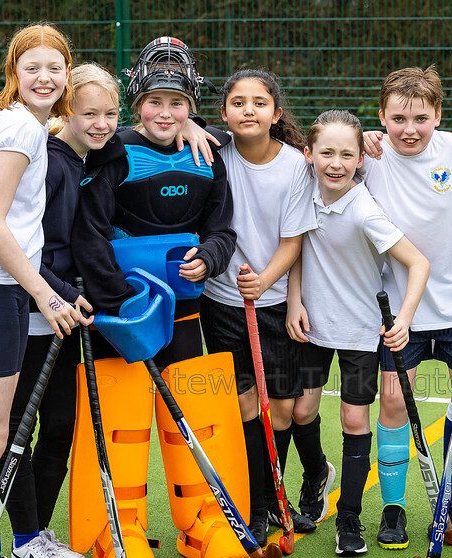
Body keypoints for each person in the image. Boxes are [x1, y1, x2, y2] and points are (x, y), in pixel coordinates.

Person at [69, 37, 238, 557]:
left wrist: (210, 256)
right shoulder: (112, 149)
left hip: (185, 314)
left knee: (193, 420)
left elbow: (223, 230)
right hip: (121, 316)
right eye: (155, 101)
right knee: (122, 427)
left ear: (191, 106)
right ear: (137, 99)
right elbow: (87, 233)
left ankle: (201, 524)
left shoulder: (206, 153)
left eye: (178, 102)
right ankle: (119, 530)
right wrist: (118, 300)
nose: (166, 113)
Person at [0, 24, 90, 558]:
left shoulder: (30, 126)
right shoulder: (21, 131)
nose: (45, 77)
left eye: (56, 68)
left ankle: (13, 543)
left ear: (67, 74)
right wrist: (46, 296)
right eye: (33, 68)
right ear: (14, 75)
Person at [361, 66, 452, 553]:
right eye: (397, 118)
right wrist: (359, 138)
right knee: (394, 402)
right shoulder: (369, 156)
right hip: (398, 309)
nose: (409, 129)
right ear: (381, 116)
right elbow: (315, 153)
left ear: (440, 117)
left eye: (421, 118)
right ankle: (394, 508)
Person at [286, 109, 429, 555]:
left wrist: (402, 318)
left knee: (353, 418)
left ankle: (348, 519)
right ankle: (315, 477)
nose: (336, 162)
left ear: (358, 162)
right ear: (308, 155)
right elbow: (296, 248)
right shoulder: (302, 192)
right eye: (326, 152)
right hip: (312, 328)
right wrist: (294, 301)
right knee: (301, 411)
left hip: (361, 334)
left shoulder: (365, 210)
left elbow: (418, 263)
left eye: (347, 154)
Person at [1, 63, 120, 558]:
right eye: (88, 112)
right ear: (66, 110)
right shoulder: (49, 162)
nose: (101, 123)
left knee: (60, 428)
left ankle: (38, 538)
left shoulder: (83, 157)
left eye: (110, 113)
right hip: (33, 314)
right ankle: (27, 537)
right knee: (19, 432)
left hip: (66, 316)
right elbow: (24, 248)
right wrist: (58, 292)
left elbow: (148, 129)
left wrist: (201, 126)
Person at [199, 68, 321, 545]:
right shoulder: (211, 154)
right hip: (223, 303)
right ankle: (259, 504)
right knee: (247, 404)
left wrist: (266, 281)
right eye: (237, 102)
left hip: (271, 303)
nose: (248, 110)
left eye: (258, 102)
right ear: (224, 112)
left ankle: (277, 488)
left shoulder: (295, 166)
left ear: (276, 113)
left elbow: (294, 240)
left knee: (286, 410)